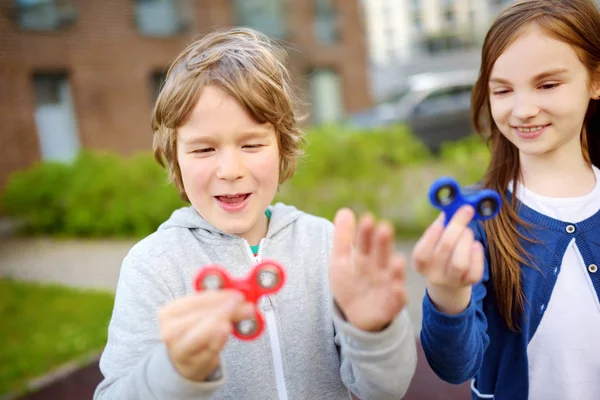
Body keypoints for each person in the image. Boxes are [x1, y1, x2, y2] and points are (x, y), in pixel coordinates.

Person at [93, 27, 417, 400]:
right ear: (175, 157)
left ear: (283, 148)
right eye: (203, 150)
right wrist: (176, 371)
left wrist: (375, 331)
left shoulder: (324, 246)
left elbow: (387, 390)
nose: (230, 170)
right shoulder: (153, 267)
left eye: (251, 144)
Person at [412, 0, 600, 399]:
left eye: (547, 84)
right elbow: (455, 366)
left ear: (596, 80)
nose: (523, 109)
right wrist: (447, 294)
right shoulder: (476, 220)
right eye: (502, 90)